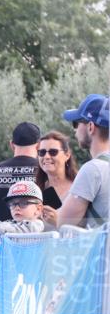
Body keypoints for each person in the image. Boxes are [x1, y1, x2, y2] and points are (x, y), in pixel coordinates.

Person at [58, 94, 109, 227]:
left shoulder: (93, 169)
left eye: (76, 123)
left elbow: (64, 222)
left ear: (90, 127)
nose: (74, 130)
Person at [0, 122, 40, 226]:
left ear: (11, 145)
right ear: (39, 145)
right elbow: (53, 212)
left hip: (3, 239)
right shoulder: (44, 170)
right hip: (36, 238)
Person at [34, 131, 78, 227]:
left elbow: (90, 226)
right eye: (42, 152)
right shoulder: (35, 191)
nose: (46, 157)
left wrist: (59, 222)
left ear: (67, 155)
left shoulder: (79, 188)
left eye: (53, 152)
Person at [0, 180, 46, 250]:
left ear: (38, 209)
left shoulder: (36, 226)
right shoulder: (13, 223)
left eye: (24, 203)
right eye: (12, 204)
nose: (16, 208)